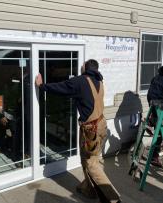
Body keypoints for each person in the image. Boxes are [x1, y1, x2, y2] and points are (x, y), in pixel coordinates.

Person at [35, 59, 121, 203]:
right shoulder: (99, 81)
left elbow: (61, 87)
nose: (80, 67)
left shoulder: (81, 81)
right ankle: (89, 189)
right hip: (101, 125)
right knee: (86, 158)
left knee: (91, 163)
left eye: (82, 65)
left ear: (86, 68)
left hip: (91, 130)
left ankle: (113, 198)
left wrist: (42, 86)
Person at [146, 66, 163, 168]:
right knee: (159, 135)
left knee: (159, 135)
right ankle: (153, 157)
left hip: (155, 109)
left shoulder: (155, 78)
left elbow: (149, 96)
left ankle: (152, 120)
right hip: (160, 111)